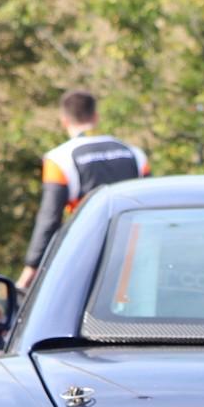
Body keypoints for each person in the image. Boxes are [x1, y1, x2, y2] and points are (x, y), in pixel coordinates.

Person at [17, 89, 148, 291]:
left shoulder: (59, 159)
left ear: (64, 120)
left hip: (87, 250)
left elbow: (50, 218)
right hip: (133, 252)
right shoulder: (134, 153)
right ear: (96, 117)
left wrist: (32, 266)